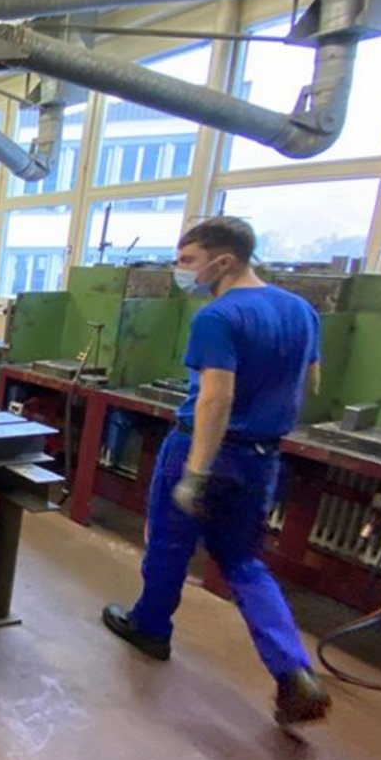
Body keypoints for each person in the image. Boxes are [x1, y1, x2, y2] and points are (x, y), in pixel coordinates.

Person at [102, 217, 331, 726]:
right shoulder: (301, 311)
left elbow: (216, 398)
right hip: (260, 457)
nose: (182, 270)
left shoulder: (219, 316)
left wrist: (196, 472)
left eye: (188, 261)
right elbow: (311, 380)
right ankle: (293, 669)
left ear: (224, 261)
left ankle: (150, 628)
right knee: (244, 562)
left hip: (205, 448)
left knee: (169, 545)